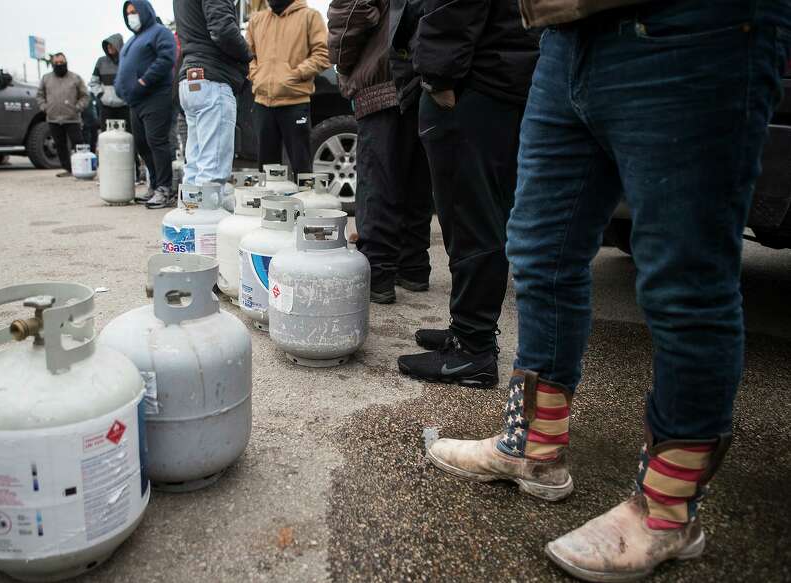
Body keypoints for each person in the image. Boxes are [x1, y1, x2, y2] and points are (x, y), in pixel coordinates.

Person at [425, 1, 791, 580]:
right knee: (539, 253)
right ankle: (533, 449)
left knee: (682, 277)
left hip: (694, 29)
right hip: (565, 40)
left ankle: (667, 513)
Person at [395, 0, 539, 387]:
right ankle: (468, 331)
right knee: (479, 212)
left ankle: (472, 350)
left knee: (470, 215)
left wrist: (438, 75)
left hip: (476, 80)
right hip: (499, 74)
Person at [327, 0, 433, 304]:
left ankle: (378, 273)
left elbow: (352, 13)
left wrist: (343, 63)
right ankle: (413, 266)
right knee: (416, 175)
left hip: (382, 74)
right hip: (422, 73)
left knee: (379, 178)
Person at [246, 0, 330, 176]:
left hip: (295, 102)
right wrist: (256, 75)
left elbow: (323, 54)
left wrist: (295, 75)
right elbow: (248, 56)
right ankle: (269, 203)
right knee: (266, 170)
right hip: (263, 103)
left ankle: (306, 200)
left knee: (302, 166)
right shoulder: (257, 20)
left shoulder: (310, 16)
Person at [173, 0, 252, 185]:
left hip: (191, 78)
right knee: (212, 171)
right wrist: (248, 55)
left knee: (194, 166)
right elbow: (223, 29)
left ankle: (190, 211)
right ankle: (204, 212)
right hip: (212, 78)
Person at [115, 0, 178, 209]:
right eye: (128, 13)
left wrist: (143, 81)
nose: (132, 16)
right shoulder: (133, 40)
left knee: (157, 142)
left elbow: (167, 58)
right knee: (142, 144)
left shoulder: (159, 32)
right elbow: (124, 68)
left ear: (145, 11)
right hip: (136, 101)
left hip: (156, 96)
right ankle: (154, 185)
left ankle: (165, 189)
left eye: (134, 11)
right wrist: (120, 86)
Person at [37, 53, 89, 177]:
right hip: (53, 119)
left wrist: (77, 108)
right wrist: (45, 108)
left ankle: (83, 169)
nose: (59, 65)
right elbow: (39, 95)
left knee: (78, 144)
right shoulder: (46, 78)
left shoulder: (75, 78)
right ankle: (68, 169)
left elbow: (85, 96)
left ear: (66, 62)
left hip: (72, 119)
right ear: (53, 64)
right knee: (60, 146)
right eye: (57, 63)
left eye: (62, 62)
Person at [90, 34, 129, 129]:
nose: (109, 47)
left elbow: (133, 82)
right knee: (106, 136)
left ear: (118, 45)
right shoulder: (101, 61)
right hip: (106, 107)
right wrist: (100, 95)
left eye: (111, 44)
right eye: (107, 45)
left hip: (125, 107)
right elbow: (93, 82)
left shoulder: (128, 61)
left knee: (127, 135)